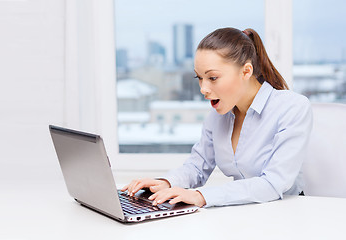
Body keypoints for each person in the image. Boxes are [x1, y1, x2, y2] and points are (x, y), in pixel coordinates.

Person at [120, 27, 313, 208]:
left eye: (212, 78)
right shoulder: (219, 115)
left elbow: (273, 183)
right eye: (199, 78)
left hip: (287, 213)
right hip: (245, 211)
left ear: (246, 71)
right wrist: (165, 183)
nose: (203, 89)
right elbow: (197, 166)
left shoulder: (292, 108)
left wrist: (201, 196)